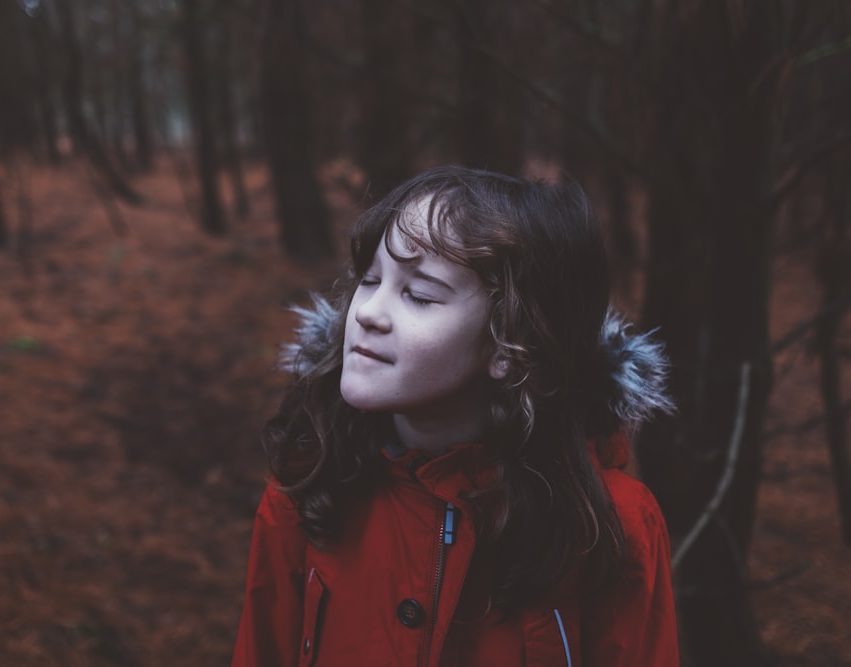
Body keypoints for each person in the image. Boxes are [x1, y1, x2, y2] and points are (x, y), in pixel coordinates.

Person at [231, 166, 679, 666]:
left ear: (511, 344)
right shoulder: (309, 487)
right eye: (370, 279)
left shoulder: (611, 526)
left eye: (419, 295)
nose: (367, 312)